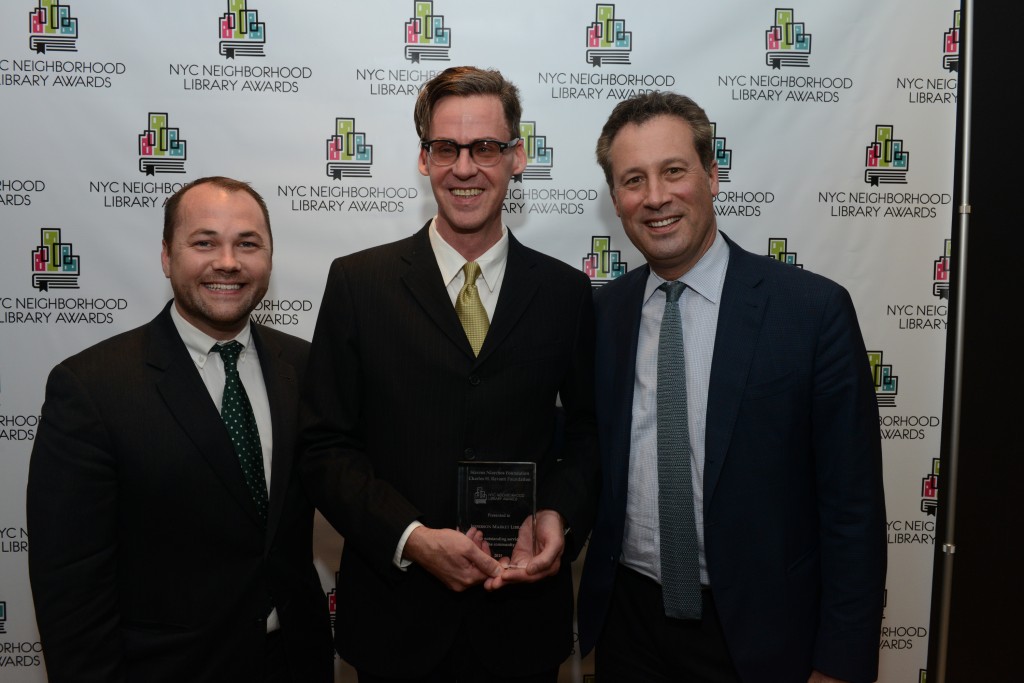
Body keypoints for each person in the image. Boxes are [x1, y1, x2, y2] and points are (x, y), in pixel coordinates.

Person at [577, 92, 887, 683]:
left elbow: (854, 509)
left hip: (765, 637)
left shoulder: (811, 312)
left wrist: (841, 663)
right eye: (633, 180)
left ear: (712, 176)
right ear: (615, 200)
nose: (656, 197)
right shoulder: (602, 314)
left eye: (674, 171)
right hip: (629, 629)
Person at [300, 66, 597, 682]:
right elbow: (324, 446)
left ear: (517, 157)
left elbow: (591, 437)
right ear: (423, 158)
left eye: (486, 147)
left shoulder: (566, 293)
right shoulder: (359, 284)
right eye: (446, 148)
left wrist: (558, 516)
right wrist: (409, 537)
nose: (465, 168)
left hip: (521, 623)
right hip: (395, 622)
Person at [27, 177, 333, 682]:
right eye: (205, 242)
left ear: (271, 259)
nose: (228, 262)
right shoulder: (91, 389)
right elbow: (71, 587)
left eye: (248, 244)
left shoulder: (305, 367)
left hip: (295, 664)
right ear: (167, 256)